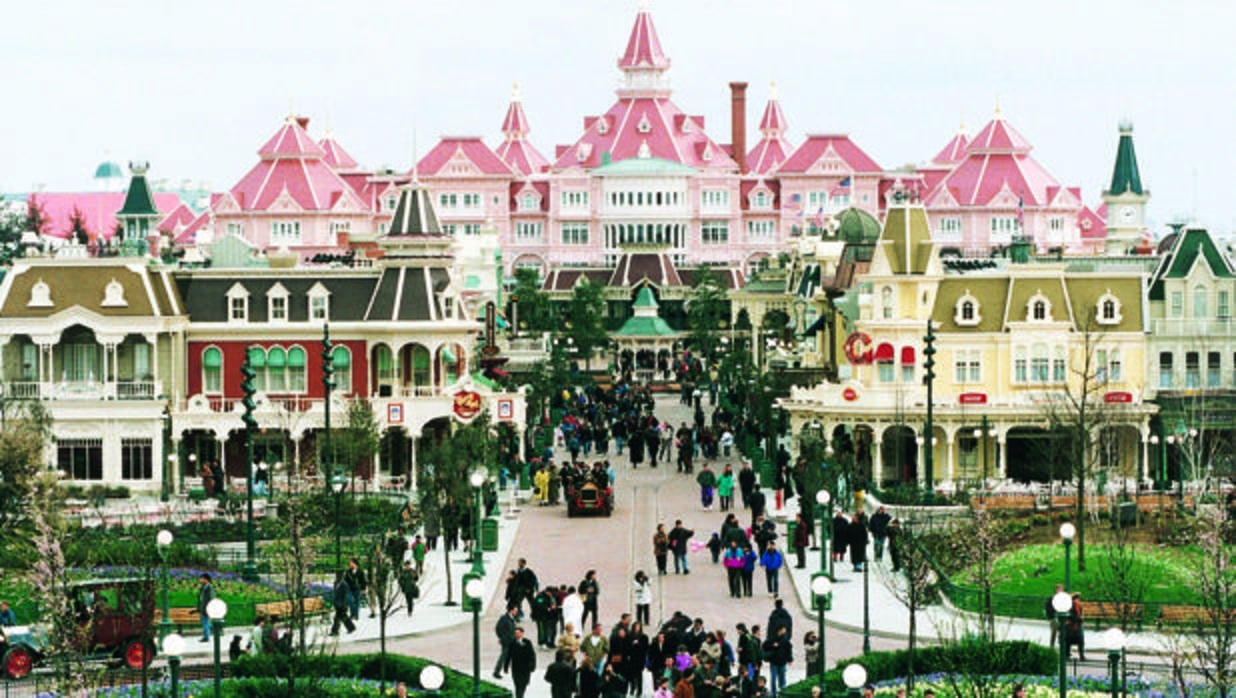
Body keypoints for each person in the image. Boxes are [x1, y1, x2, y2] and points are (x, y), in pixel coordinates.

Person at [761, 626, 791, 697]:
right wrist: (773, 645)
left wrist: (789, 659)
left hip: (782, 661)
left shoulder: (785, 640)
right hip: (774, 661)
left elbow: (788, 650)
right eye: (783, 630)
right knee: (774, 678)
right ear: (779, 630)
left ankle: (782, 692)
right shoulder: (772, 638)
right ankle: (773, 693)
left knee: (782, 678)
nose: (784, 631)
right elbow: (764, 645)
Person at [510, 626, 538, 698]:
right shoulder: (512, 643)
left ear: (522, 633)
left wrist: (533, 665)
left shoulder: (527, 642)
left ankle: (520, 695)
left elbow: (532, 655)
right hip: (516, 667)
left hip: (525, 668)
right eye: (516, 633)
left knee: (523, 684)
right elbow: (509, 655)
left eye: (518, 633)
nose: (517, 635)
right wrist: (506, 666)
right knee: (517, 684)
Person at [494, 604, 520, 678]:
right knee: (504, 656)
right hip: (507, 640)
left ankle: (511, 670)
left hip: (513, 640)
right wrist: (502, 637)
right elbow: (498, 628)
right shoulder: (504, 618)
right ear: (511, 610)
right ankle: (497, 671)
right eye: (515, 611)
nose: (516, 612)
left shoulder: (513, 618)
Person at [626, 621, 650, 696]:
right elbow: (627, 646)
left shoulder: (644, 637)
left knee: (639, 675)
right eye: (636, 627)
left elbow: (646, 648)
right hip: (632, 658)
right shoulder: (629, 636)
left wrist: (639, 644)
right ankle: (632, 688)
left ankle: (639, 690)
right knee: (631, 675)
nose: (637, 628)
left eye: (639, 627)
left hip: (640, 658)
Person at [329, 571, 356, 636]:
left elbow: (345, 595)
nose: (338, 577)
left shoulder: (344, 584)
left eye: (339, 576)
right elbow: (335, 593)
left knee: (337, 618)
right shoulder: (335, 583)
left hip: (342, 604)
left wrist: (344, 604)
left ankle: (335, 631)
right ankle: (351, 627)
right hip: (337, 603)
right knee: (343, 617)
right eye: (337, 575)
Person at [343, 557, 367, 621]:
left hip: (357, 588)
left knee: (357, 602)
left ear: (354, 563)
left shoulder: (360, 571)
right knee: (350, 600)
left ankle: (355, 615)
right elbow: (345, 580)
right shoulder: (348, 571)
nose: (350, 564)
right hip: (349, 588)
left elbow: (363, 580)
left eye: (351, 562)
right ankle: (352, 614)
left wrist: (363, 589)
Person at [1066, 593, 1086, 660]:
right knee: (1068, 641)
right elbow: (1071, 617)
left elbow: (1081, 617)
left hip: (1077, 628)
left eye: (1078, 599)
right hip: (1070, 628)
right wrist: (1079, 619)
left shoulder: (1079, 607)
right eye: (1076, 599)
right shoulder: (1069, 607)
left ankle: (1081, 656)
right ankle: (1067, 654)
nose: (1078, 601)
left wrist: (1080, 619)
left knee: (1081, 641)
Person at [1044, 583, 1064, 648]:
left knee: (1062, 632)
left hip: (1061, 618)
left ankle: (1062, 646)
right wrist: (1052, 615)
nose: (1061, 591)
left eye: (1061, 589)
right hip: (1054, 618)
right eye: (1059, 589)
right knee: (1054, 632)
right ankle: (1051, 646)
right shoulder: (1052, 598)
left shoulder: (1063, 599)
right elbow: (1048, 607)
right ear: (1056, 589)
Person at [197, 574, 215, 642]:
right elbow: (200, 598)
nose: (200, 580)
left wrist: (209, 608)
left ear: (206, 579)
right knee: (205, 622)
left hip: (207, 608)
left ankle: (206, 637)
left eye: (201, 578)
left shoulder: (210, 587)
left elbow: (211, 598)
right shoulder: (203, 587)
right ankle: (215, 629)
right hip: (202, 608)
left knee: (205, 622)